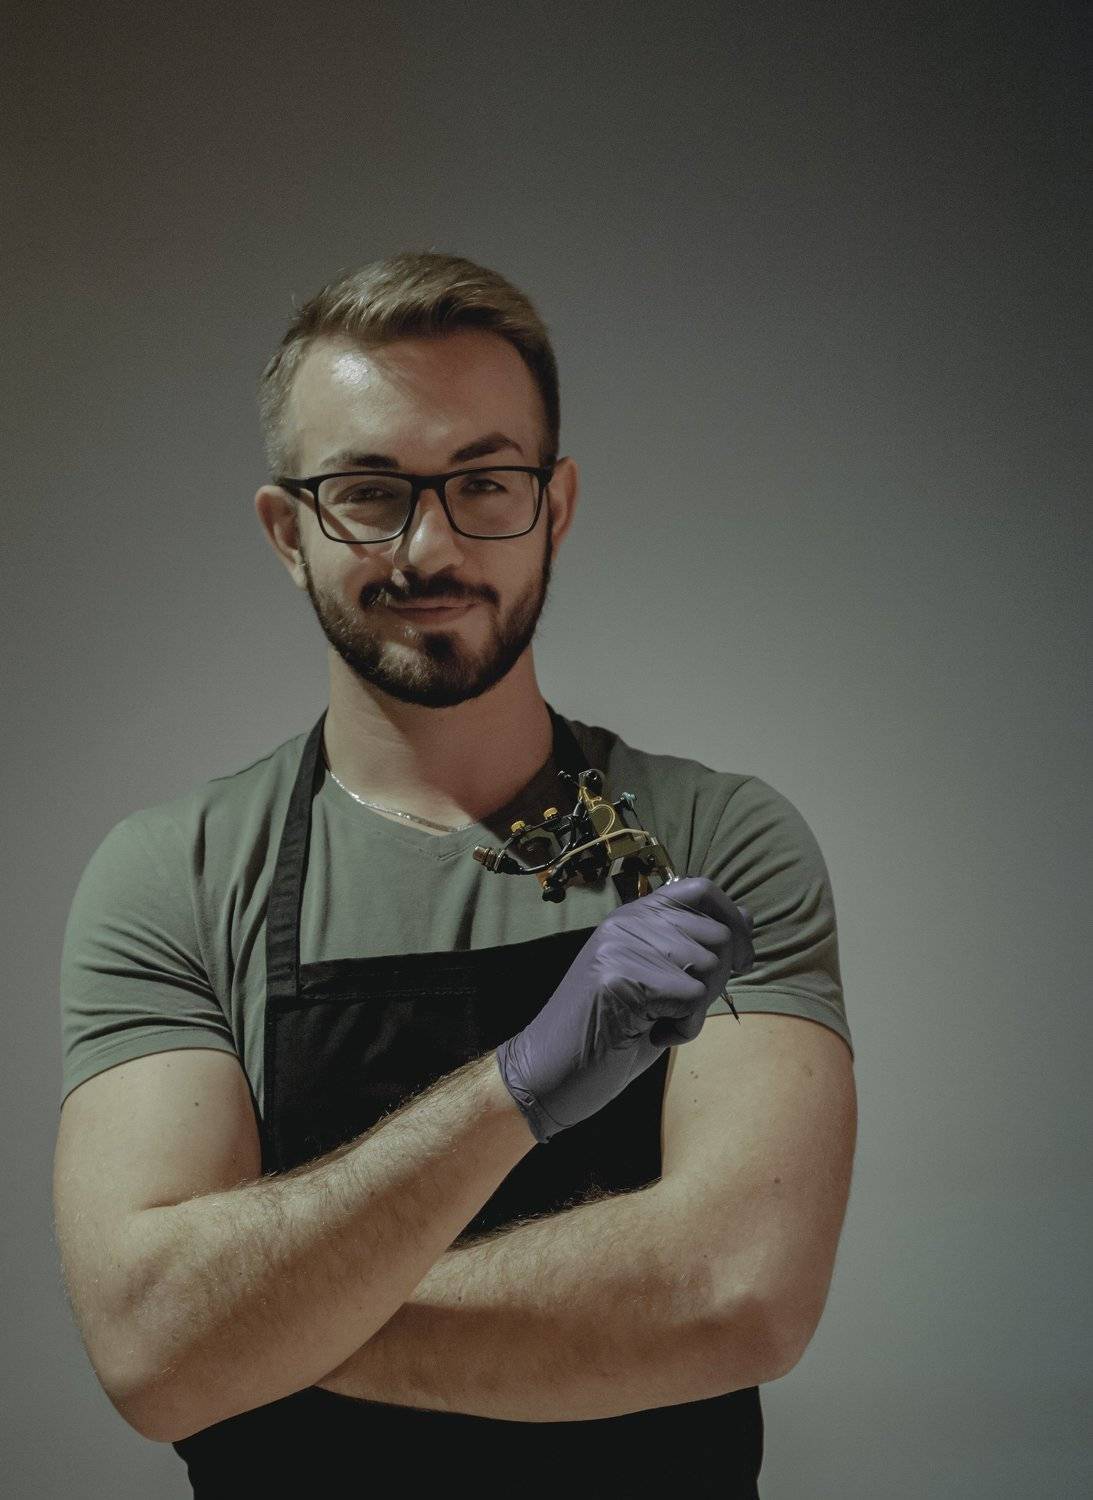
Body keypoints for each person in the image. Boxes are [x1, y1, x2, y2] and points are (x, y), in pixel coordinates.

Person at [53, 251, 857, 1498]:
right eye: (368, 492)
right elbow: (151, 1352)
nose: (428, 547)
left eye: (484, 482)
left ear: (554, 506)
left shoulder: (710, 842)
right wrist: (516, 1087)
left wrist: (267, 1327)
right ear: (287, 532)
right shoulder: (178, 876)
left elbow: (730, 1295)